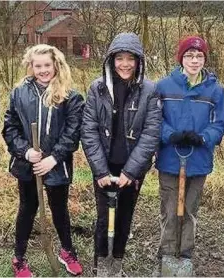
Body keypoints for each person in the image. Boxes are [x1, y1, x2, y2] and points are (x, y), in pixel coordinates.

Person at [81, 32, 162, 277]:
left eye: (130, 59)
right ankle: (101, 265)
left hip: (131, 169)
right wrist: (100, 170)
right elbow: (89, 130)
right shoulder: (97, 88)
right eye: (119, 58)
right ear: (111, 60)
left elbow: (151, 134)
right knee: (104, 218)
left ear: (138, 61)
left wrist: (131, 171)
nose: (125, 64)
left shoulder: (149, 90)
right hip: (104, 168)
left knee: (125, 217)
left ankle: (117, 263)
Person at [2, 44, 84, 277]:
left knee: (60, 209)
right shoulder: (20, 92)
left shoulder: (71, 95)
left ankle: (67, 251)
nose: (43, 70)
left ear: (56, 65)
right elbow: (10, 128)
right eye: (37, 66)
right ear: (31, 66)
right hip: (27, 165)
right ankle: (19, 258)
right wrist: (26, 152)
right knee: (27, 209)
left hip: (57, 166)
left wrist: (54, 158)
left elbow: (72, 132)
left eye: (47, 65)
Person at [155, 36, 224, 275]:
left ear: (205, 59)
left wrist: (204, 137)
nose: (194, 60)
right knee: (169, 208)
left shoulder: (215, 90)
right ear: (181, 58)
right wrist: (170, 135)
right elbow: (154, 119)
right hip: (170, 158)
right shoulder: (164, 86)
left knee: (189, 209)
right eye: (189, 55)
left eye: (199, 56)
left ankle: (185, 253)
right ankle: (167, 253)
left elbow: (220, 123)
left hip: (198, 160)